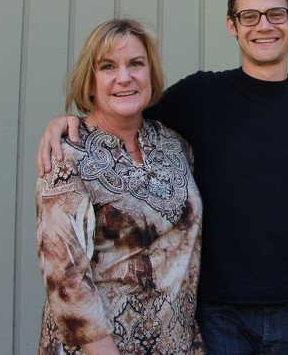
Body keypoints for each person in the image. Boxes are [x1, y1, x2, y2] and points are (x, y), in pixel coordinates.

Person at [36, 0, 288, 354]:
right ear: (232, 25)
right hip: (219, 313)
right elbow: (122, 109)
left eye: (276, 14)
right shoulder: (201, 95)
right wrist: (70, 122)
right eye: (249, 16)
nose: (264, 26)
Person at [36, 19, 204, 354]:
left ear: (151, 75)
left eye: (136, 64)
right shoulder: (67, 151)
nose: (124, 77)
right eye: (108, 66)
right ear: (91, 81)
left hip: (176, 343)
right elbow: (65, 280)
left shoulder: (173, 142)